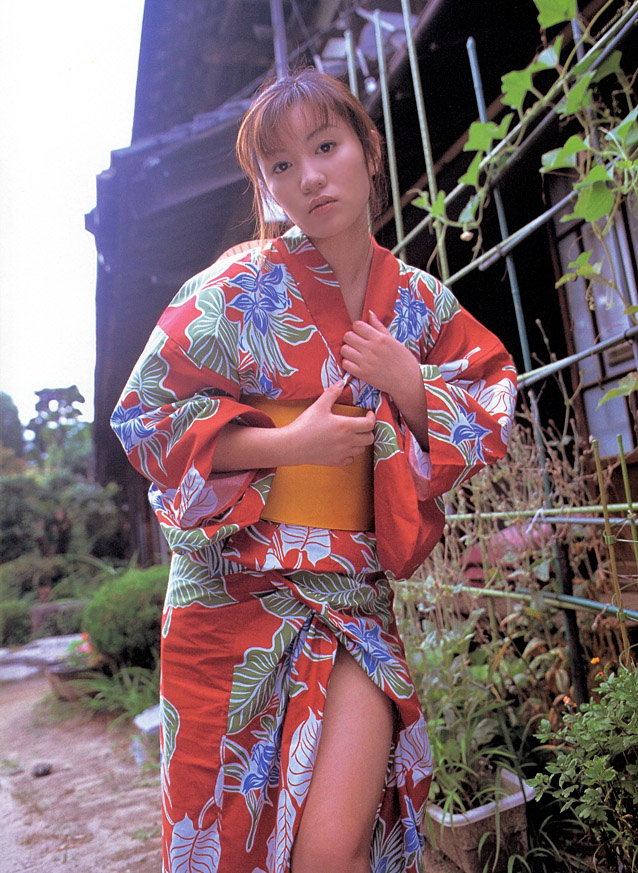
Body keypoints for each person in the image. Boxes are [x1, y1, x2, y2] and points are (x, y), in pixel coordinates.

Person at [112, 68, 517, 873]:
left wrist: (408, 382)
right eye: (282, 165)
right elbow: (145, 418)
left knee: (332, 849)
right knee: (226, 842)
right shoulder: (232, 288)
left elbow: (492, 399)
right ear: (267, 187)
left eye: (326, 147)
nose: (310, 177)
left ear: (369, 151)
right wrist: (291, 444)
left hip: (350, 593)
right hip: (229, 592)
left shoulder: (421, 303)